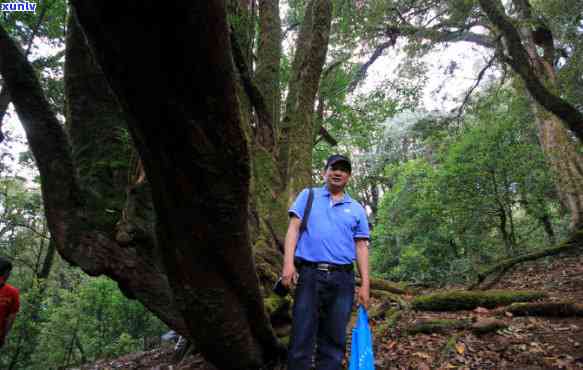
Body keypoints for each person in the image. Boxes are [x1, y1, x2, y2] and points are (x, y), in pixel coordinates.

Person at [282, 154, 370, 370]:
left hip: (343, 279)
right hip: (310, 274)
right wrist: (288, 264)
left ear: (348, 176)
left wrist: (366, 284)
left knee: (334, 336)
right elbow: (293, 229)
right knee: (302, 332)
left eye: (343, 169)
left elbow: (361, 247)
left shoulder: (357, 208)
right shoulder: (308, 195)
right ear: (325, 172)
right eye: (333, 168)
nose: (337, 172)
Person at [0, 257, 19, 349]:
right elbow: (11, 319)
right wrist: (3, 336)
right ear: (5, 272)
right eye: (9, 272)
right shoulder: (13, 292)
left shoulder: (12, 292)